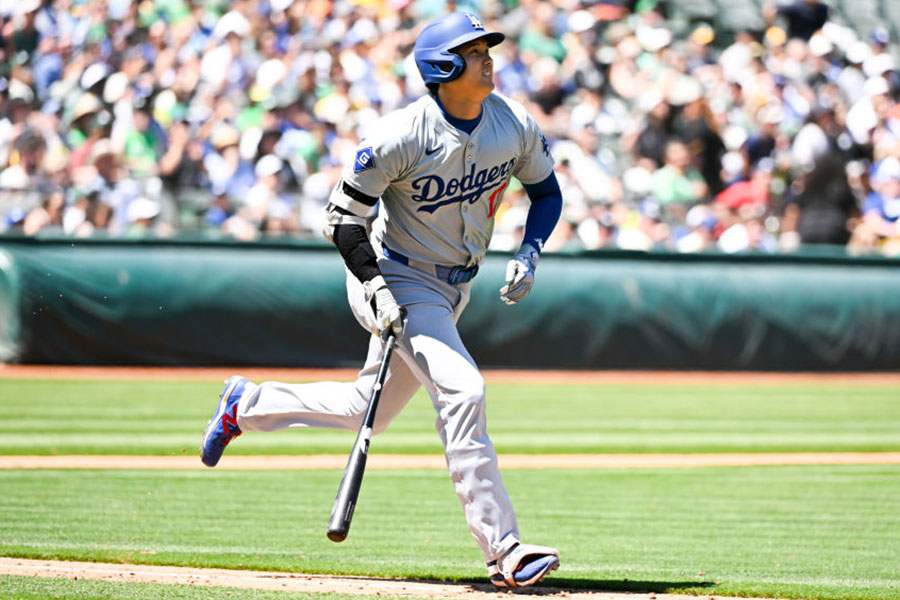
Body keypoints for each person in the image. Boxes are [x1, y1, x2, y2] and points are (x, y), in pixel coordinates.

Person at [200, 12, 563, 589]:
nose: (488, 56)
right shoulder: (399, 134)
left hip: (453, 286)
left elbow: (546, 193)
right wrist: (375, 287)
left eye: (486, 47)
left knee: (360, 408)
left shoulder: (512, 122)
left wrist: (530, 252)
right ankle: (504, 550)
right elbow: (342, 221)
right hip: (394, 275)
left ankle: (246, 404)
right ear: (443, 67)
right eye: (474, 50)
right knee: (463, 389)